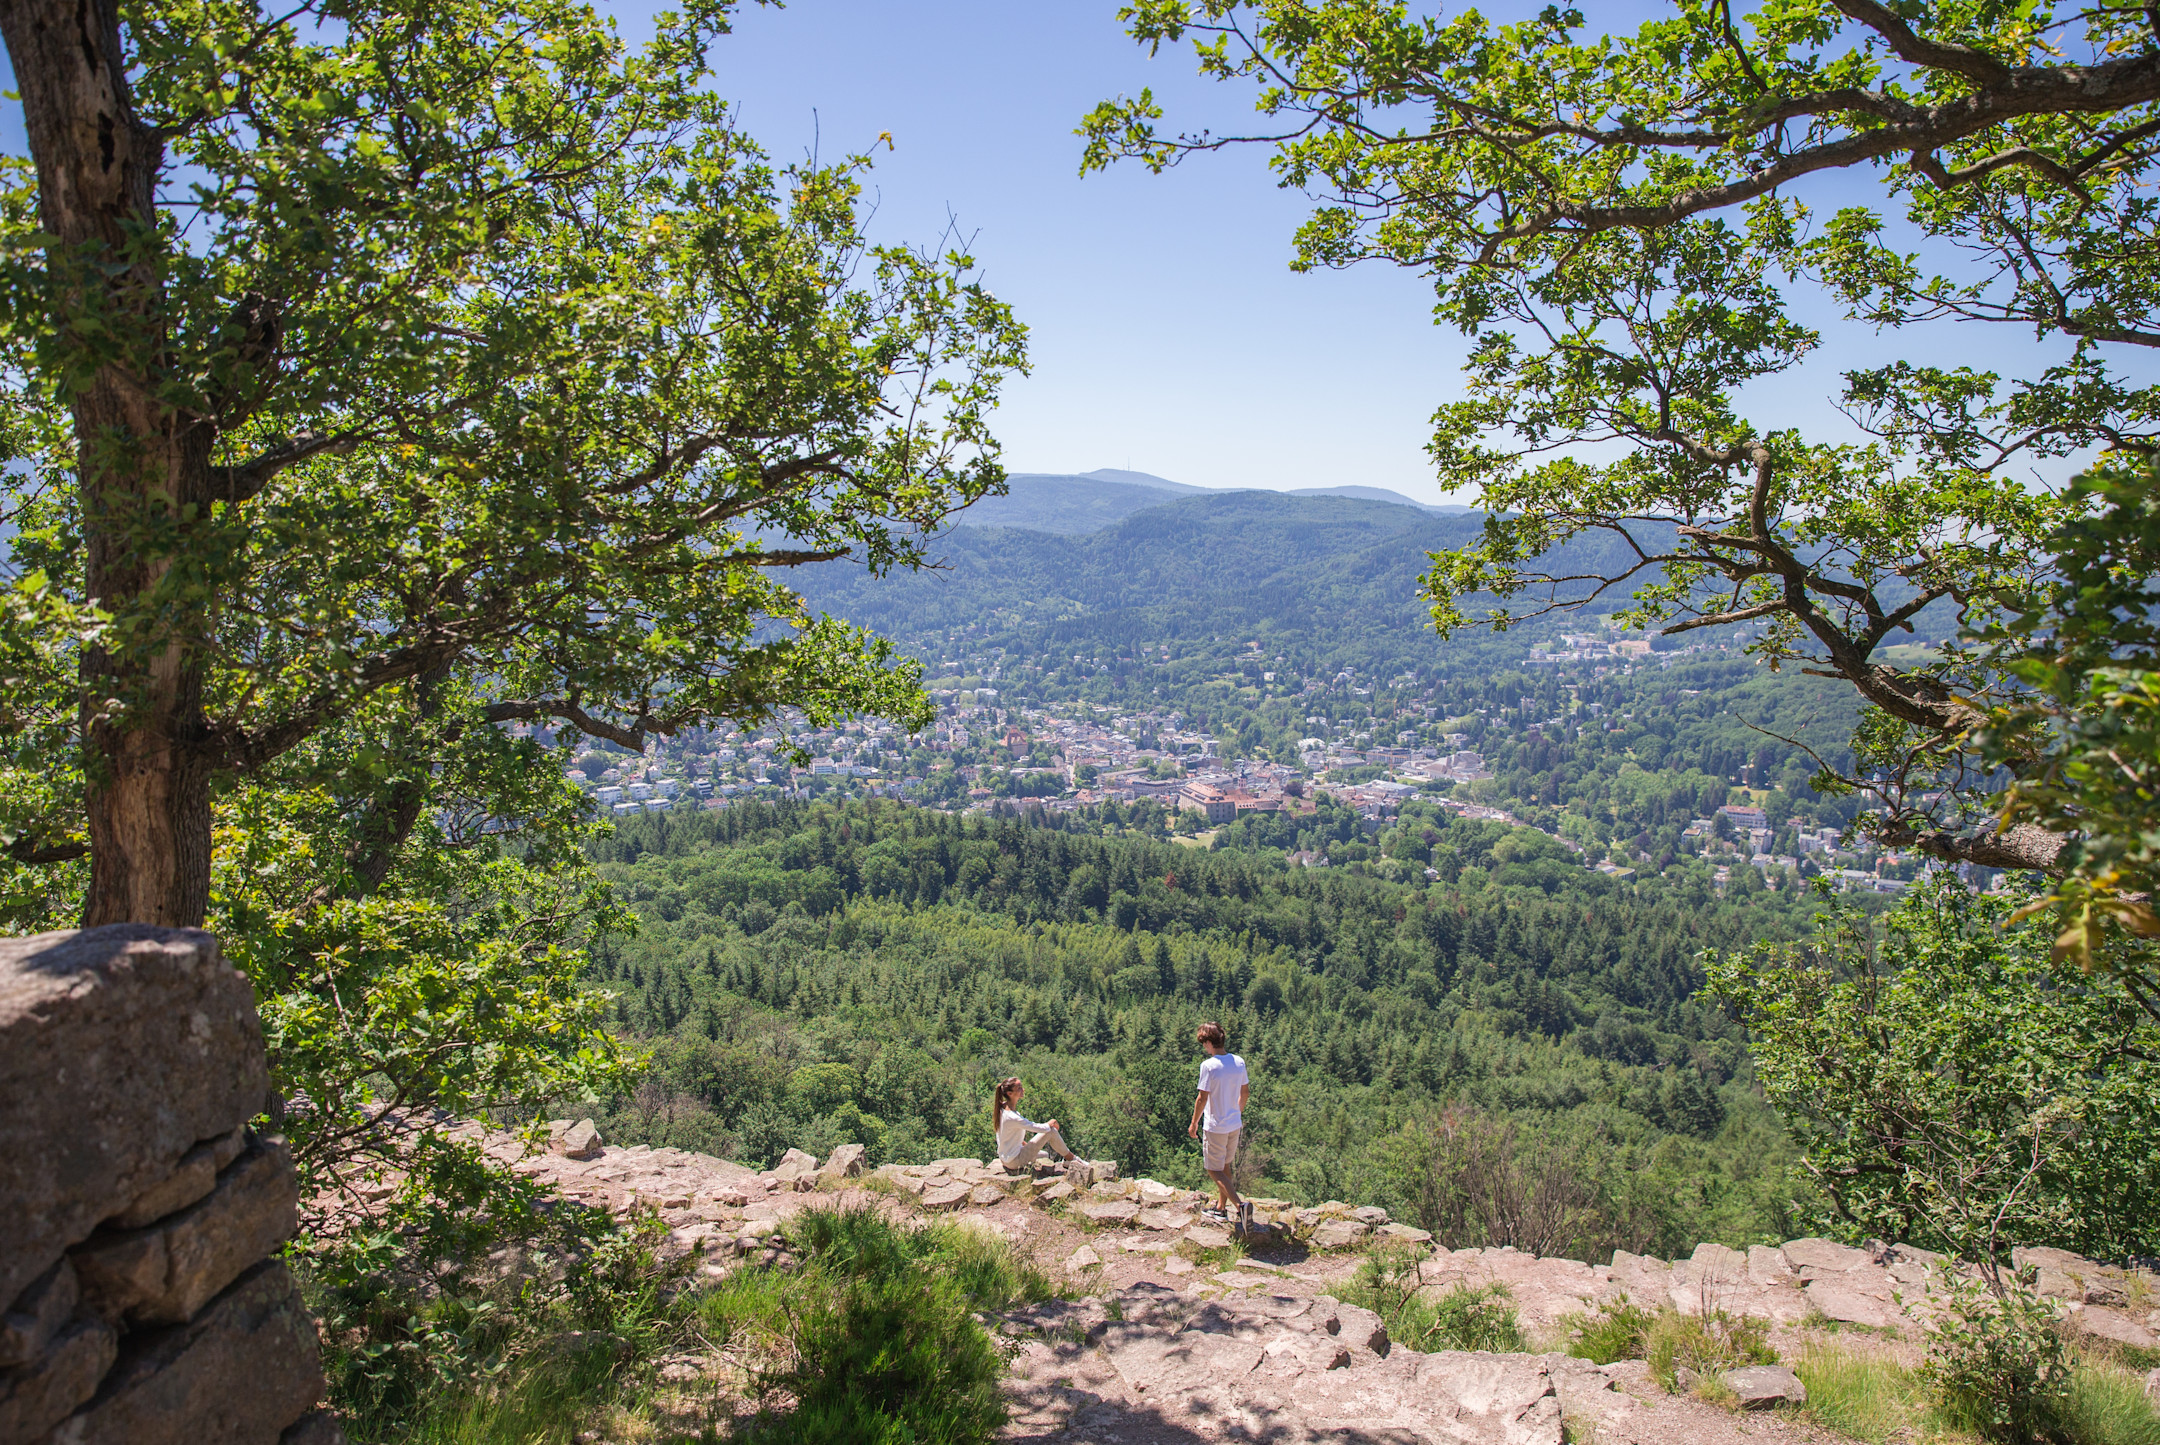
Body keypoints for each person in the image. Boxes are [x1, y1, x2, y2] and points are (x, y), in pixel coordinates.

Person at [1187, 1021, 1251, 1228]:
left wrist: (1194, 1123)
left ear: (1208, 1042)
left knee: (1213, 1169)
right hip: (1234, 1124)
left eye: (1203, 1043)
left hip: (1215, 1126)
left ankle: (1240, 1207)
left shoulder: (1209, 1066)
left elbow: (1202, 1098)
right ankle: (1221, 1209)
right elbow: (1245, 1092)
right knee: (1225, 1165)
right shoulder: (1238, 1062)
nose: (1203, 1047)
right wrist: (1236, 1112)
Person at [993, 1077, 1077, 1170]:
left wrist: (1025, 1146)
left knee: (1045, 1154)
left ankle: (1069, 1159)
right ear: (1010, 1093)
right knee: (1050, 1131)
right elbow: (1036, 1127)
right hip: (1014, 1161)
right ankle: (1071, 1159)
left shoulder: (1003, 1109)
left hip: (1007, 1158)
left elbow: (1007, 1136)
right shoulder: (1012, 1117)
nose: (1023, 1089)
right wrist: (1051, 1122)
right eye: (1019, 1088)